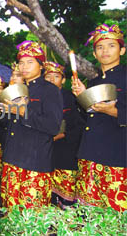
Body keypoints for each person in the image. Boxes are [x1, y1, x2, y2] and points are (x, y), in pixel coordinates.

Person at [1, 41, 63, 210]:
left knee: (32, 218)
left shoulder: (50, 90)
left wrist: (23, 112)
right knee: (10, 215)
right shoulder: (18, 89)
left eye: (30, 62)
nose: (24, 66)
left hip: (35, 164)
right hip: (12, 160)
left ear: (41, 65)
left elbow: (52, 126)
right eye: (21, 62)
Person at [72, 24, 126, 212]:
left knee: (115, 215)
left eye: (111, 45)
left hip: (116, 156)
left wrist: (113, 111)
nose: (105, 51)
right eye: (100, 47)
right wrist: (82, 97)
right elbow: (87, 119)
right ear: (94, 54)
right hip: (89, 155)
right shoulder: (94, 82)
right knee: (89, 215)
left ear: (122, 50)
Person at [43, 61, 85, 208]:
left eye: (56, 76)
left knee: (66, 197)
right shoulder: (38, 98)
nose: (51, 80)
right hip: (45, 152)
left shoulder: (71, 98)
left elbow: (79, 125)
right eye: (48, 77)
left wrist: (61, 135)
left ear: (63, 80)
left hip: (66, 151)